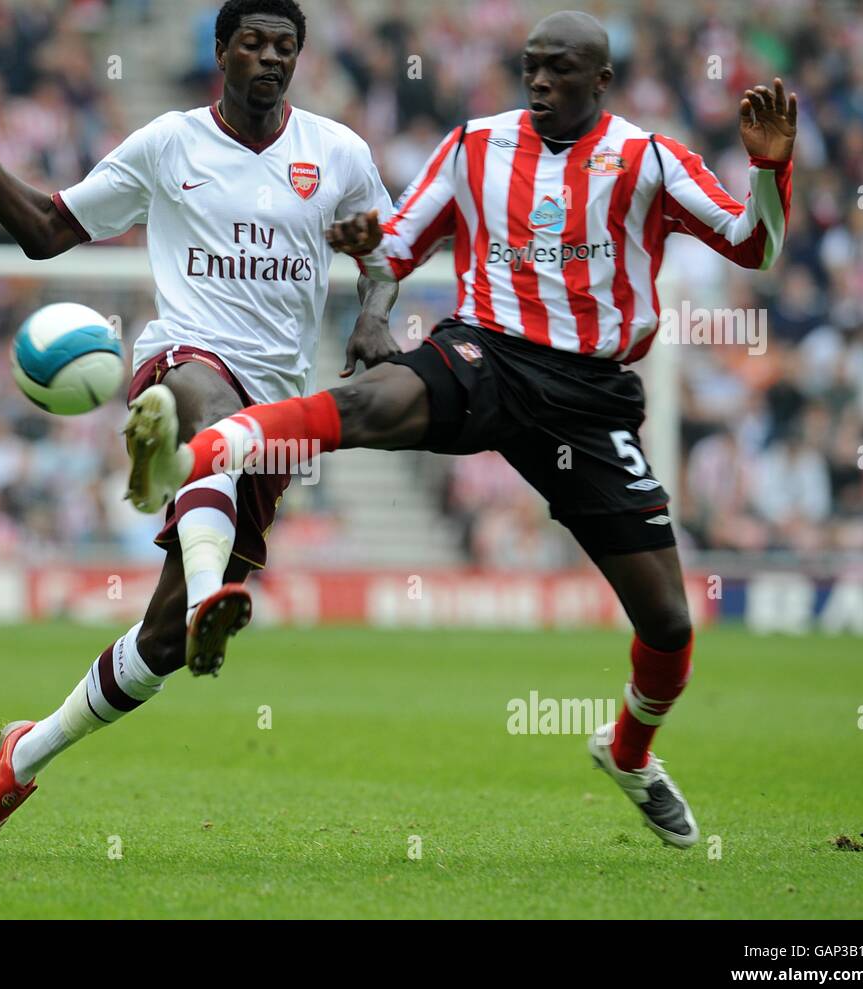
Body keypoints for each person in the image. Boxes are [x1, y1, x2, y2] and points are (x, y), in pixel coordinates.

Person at [128, 11, 797, 848]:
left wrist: (770, 168)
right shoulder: (474, 145)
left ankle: (629, 752)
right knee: (371, 404)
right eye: (531, 69)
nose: (541, 84)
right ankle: (200, 446)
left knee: (667, 623)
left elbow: (753, 243)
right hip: (486, 355)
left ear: (603, 82)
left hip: (588, 397)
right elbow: (395, 248)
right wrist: (374, 284)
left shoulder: (647, 158)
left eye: (560, 71)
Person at [0, 0, 400, 852]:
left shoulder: (338, 153)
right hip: (184, 359)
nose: (270, 58)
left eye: (285, 46)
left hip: (279, 413)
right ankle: (212, 588)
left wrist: (375, 313)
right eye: (253, 43)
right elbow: (47, 230)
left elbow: (385, 255)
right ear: (222, 52)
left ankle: (27, 752)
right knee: (202, 400)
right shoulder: (169, 143)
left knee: (161, 646)